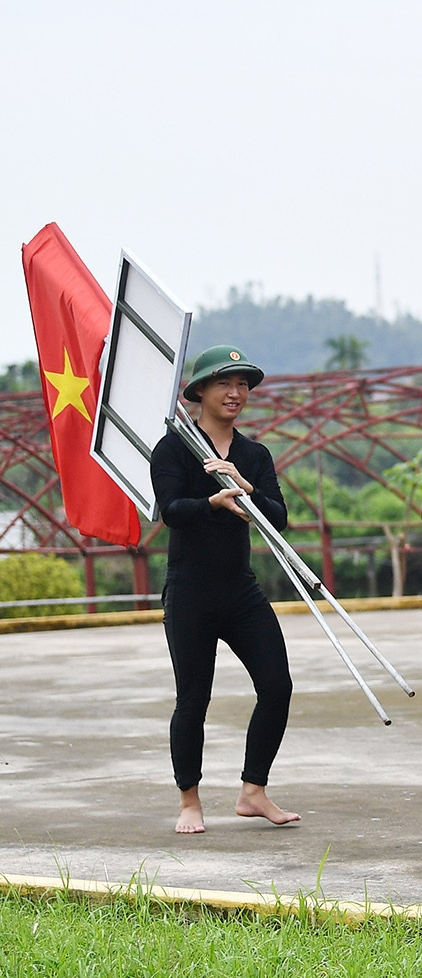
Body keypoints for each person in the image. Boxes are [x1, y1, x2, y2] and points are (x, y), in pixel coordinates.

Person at [150, 346, 299, 835]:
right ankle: (188, 800)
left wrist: (247, 490)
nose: (236, 393)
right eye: (224, 384)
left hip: (241, 591)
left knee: (277, 685)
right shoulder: (174, 448)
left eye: (243, 385)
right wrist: (213, 501)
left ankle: (253, 791)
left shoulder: (253, 455)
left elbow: (279, 519)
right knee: (193, 698)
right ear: (199, 393)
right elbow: (170, 510)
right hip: (190, 591)